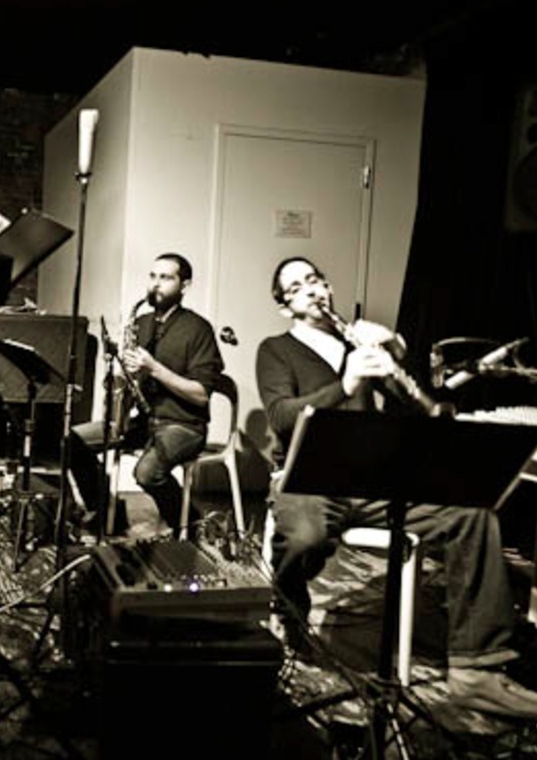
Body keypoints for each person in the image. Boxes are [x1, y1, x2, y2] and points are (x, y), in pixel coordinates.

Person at [256, 255, 537, 718]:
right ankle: (289, 605)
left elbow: (417, 409)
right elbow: (283, 416)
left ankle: (476, 671)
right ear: (285, 306)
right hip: (307, 478)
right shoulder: (275, 350)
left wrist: (396, 358)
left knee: (471, 512)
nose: (312, 289)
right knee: (305, 538)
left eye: (315, 279)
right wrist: (347, 383)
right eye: (297, 286)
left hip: (371, 479)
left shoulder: (357, 344)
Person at [70, 253, 224, 539]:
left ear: (185, 285)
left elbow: (201, 395)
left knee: (147, 473)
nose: (155, 284)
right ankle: (105, 511)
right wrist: (120, 377)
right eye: (153, 276)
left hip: (184, 425)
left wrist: (153, 368)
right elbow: (130, 382)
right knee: (72, 442)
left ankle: (191, 524)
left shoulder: (198, 329)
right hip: (144, 421)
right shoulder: (141, 323)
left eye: (165, 277)